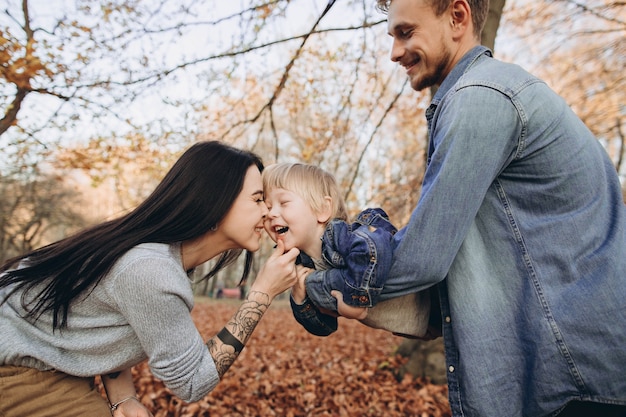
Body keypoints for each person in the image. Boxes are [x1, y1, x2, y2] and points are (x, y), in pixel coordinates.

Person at [358, 1, 626, 416]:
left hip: (575, 378)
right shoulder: (499, 91)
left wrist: (322, 281)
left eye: (405, 32)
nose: (394, 51)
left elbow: (420, 261)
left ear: (457, 18)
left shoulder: (478, 99)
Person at [0, 141, 300, 417]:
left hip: (49, 359)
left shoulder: (160, 256)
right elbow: (192, 383)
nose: (268, 212)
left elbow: (104, 321)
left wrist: (123, 397)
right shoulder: (151, 268)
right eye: (258, 199)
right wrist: (261, 294)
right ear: (215, 202)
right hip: (16, 369)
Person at [262, 162, 431, 338]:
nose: (271, 214)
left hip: (433, 299)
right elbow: (324, 327)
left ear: (322, 209)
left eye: (283, 203)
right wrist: (299, 299)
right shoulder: (300, 268)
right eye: (267, 207)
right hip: (427, 325)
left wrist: (356, 300)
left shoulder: (342, 236)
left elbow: (374, 249)